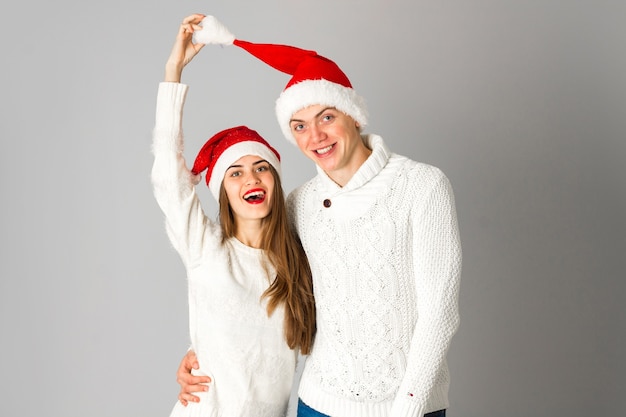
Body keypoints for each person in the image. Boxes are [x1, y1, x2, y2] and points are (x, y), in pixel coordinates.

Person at [176, 15, 462, 417]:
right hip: (318, 404)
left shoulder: (422, 186)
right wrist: (203, 352)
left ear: (354, 116)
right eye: (300, 126)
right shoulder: (299, 204)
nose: (316, 137)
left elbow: (440, 313)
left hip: (407, 407)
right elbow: (258, 290)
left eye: (327, 117)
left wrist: (408, 410)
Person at [151, 14, 316, 417]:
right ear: (223, 191)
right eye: (235, 173)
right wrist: (173, 72)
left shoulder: (300, 256)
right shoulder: (205, 247)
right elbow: (169, 179)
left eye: (261, 168)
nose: (251, 179)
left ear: (275, 181)